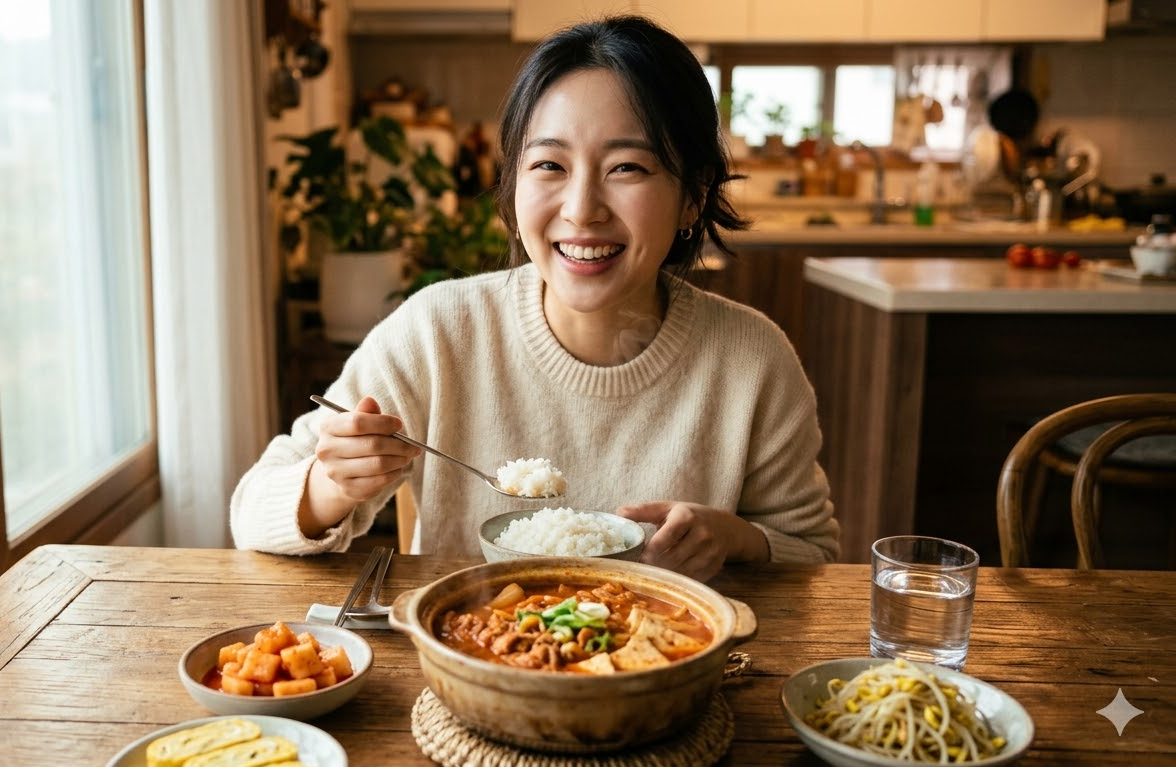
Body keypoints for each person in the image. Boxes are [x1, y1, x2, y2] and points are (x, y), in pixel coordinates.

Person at [231, 14, 840, 581]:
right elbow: (251, 512)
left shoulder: (753, 358)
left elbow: (814, 556)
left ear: (691, 197)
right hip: (473, 666)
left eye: (627, 168)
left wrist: (735, 538)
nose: (581, 210)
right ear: (513, 182)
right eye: (549, 165)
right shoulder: (439, 331)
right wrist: (331, 486)